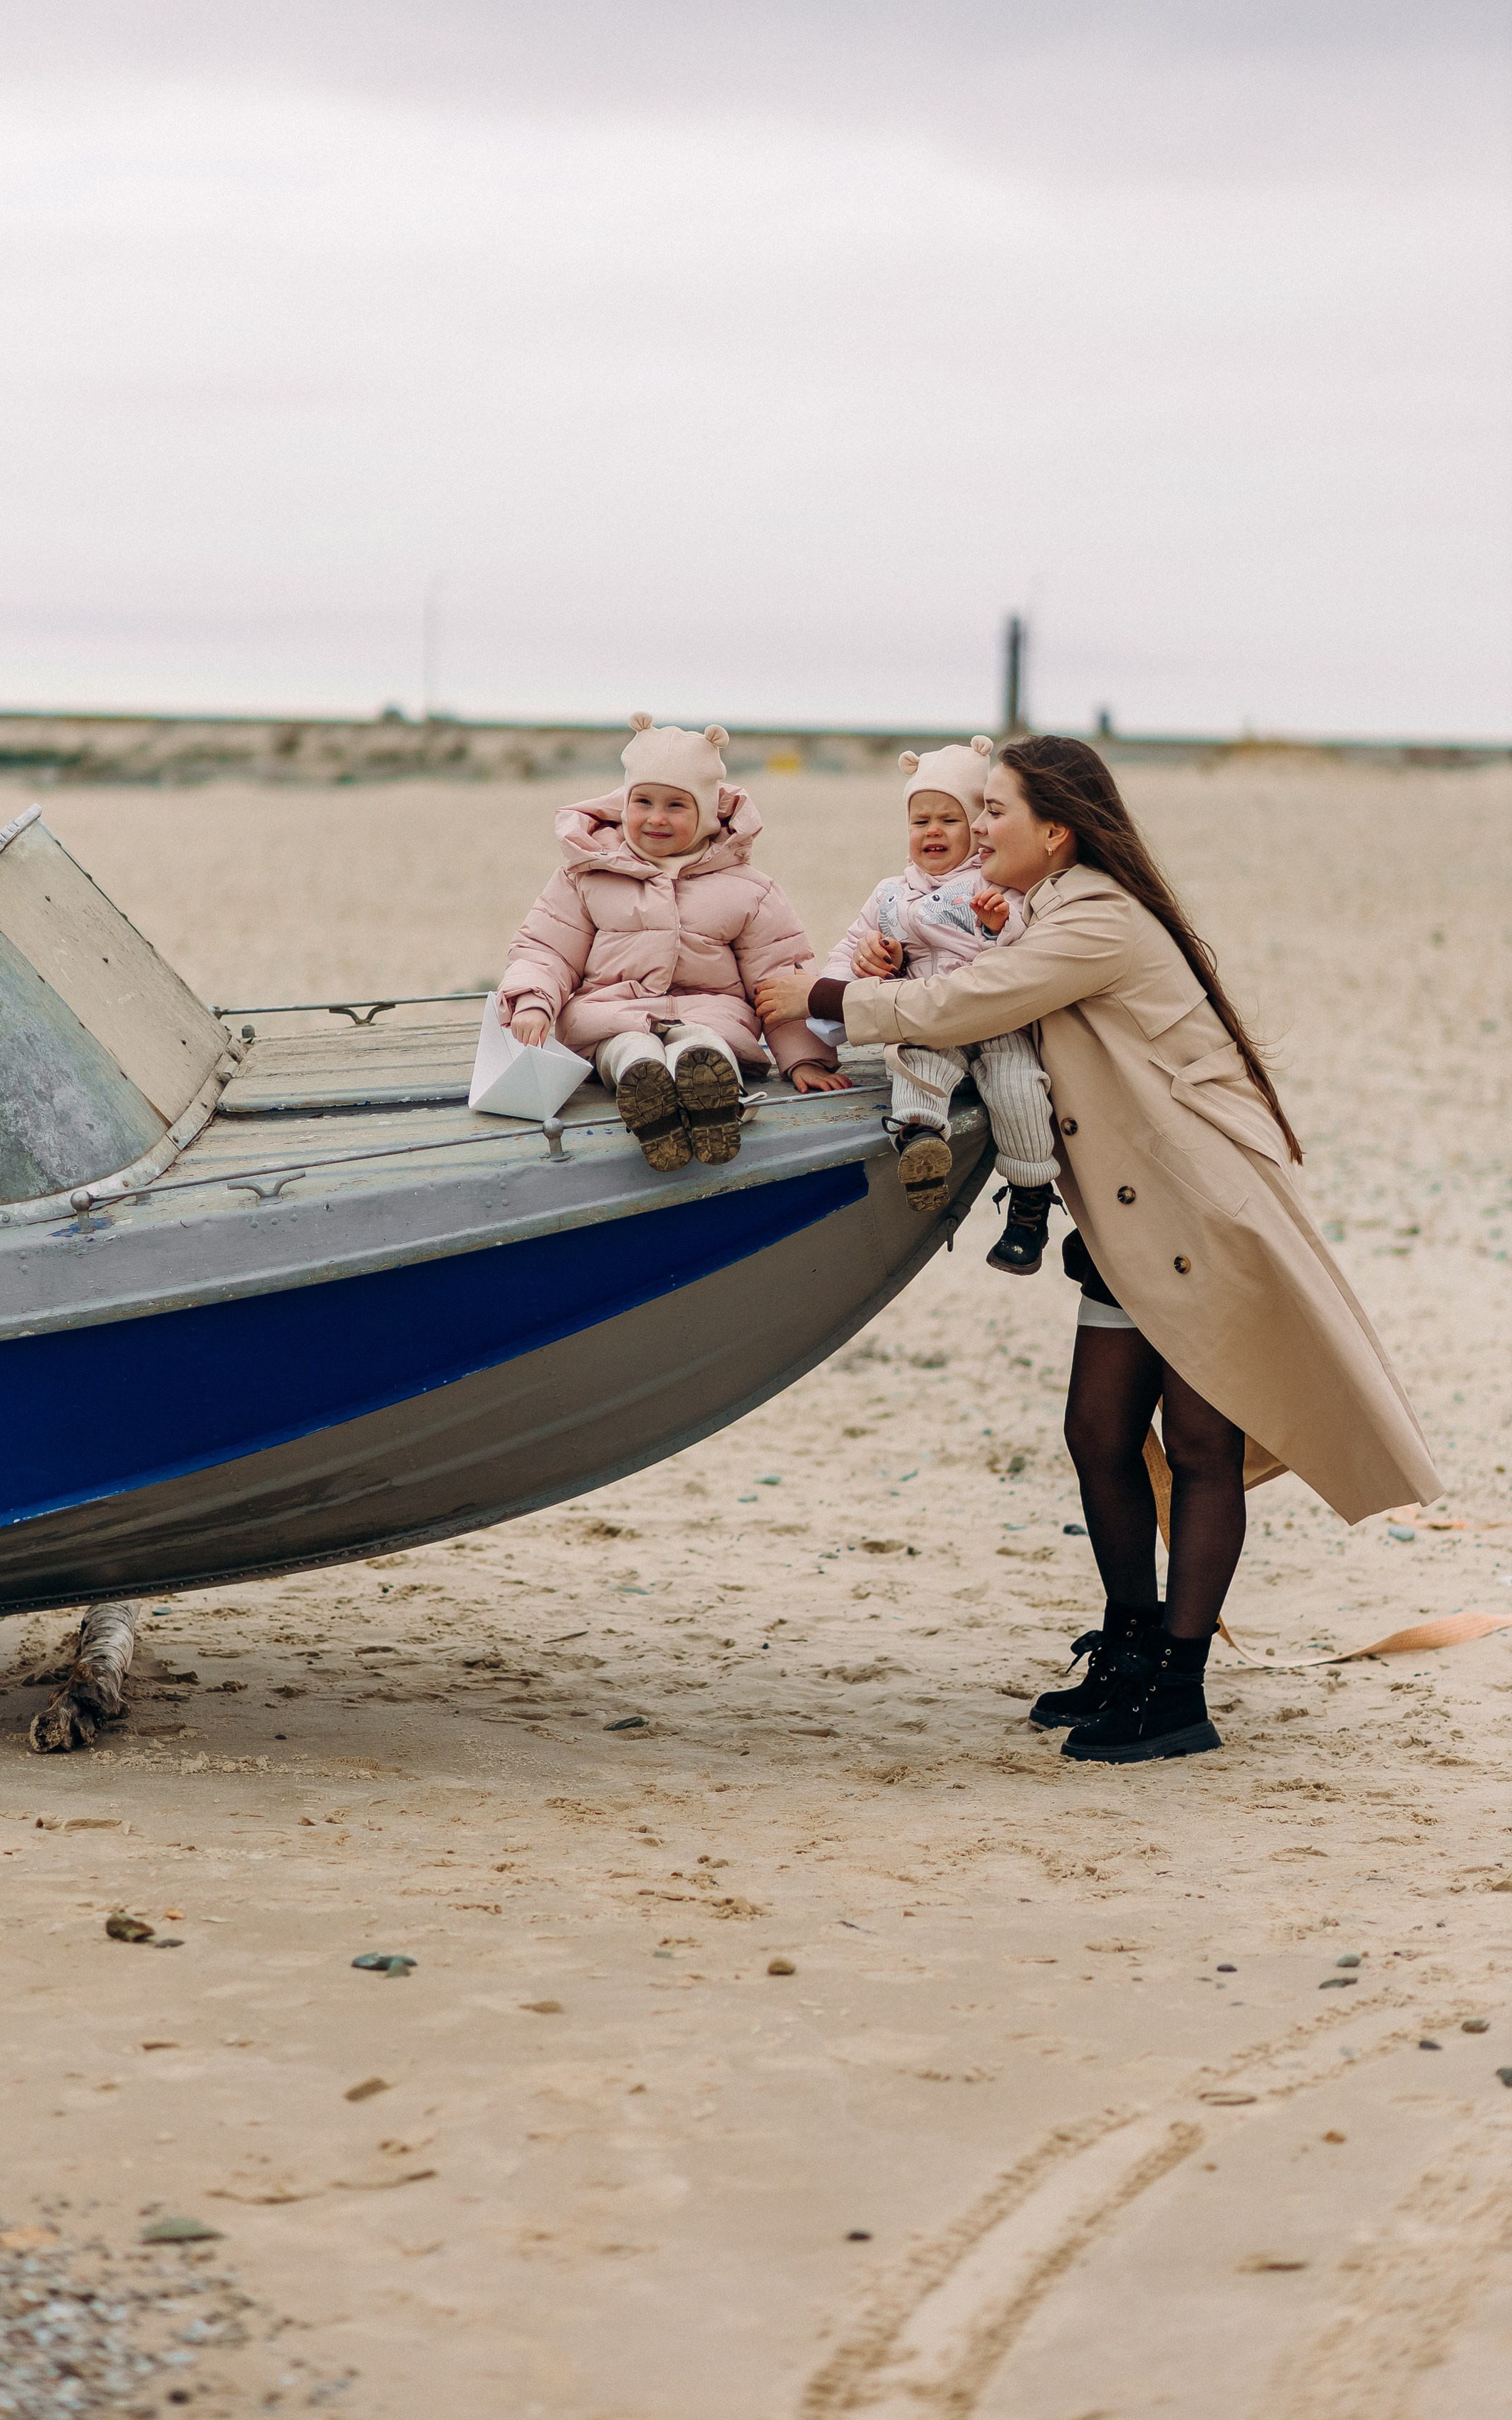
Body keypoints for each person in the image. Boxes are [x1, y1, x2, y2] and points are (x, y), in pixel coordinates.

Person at [757, 734, 1439, 1767]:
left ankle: (1177, 1689)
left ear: (1057, 831)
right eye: (974, 811)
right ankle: (1127, 1651)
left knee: (1203, 1448)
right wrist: (886, 956)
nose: (976, 829)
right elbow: (962, 975)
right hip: (1129, 1224)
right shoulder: (1043, 910)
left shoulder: (1098, 921)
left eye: (995, 812)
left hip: (1202, 1215)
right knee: (1099, 1432)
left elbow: (963, 1006)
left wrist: (818, 997)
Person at [499, 715, 848, 1171]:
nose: (656, 818)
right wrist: (533, 1000)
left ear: (705, 814)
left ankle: (713, 1094)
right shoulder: (585, 877)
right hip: (611, 1016)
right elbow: (547, 949)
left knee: (702, 1042)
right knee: (628, 1048)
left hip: (712, 1014)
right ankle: (646, 1097)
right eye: (643, 801)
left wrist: (805, 1060)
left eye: (677, 806)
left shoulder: (748, 889)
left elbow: (780, 978)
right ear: (623, 804)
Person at [819, 733, 1060, 1270]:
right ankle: (921, 1140)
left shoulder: (998, 883)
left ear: (978, 827)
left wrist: (1000, 926)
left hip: (995, 1022)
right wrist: (862, 965)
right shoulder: (889, 894)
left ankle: (1029, 1200)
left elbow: (1027, 947)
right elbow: (849, 947)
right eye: (920, 821)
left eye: (949, 820)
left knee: (1020, 1086)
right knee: (914, 1060)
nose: (932, 831)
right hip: (926, 1015)